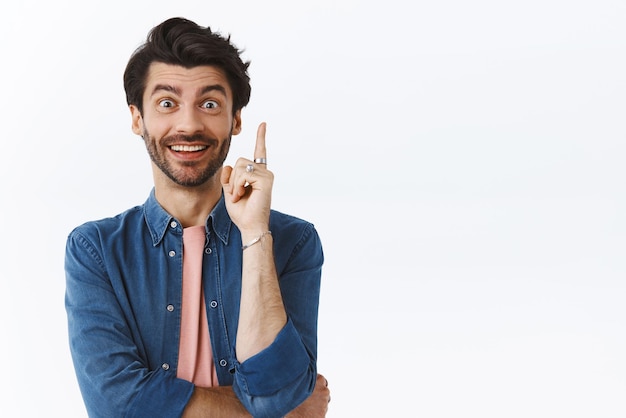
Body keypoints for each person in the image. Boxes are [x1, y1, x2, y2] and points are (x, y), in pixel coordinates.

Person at [65, 17, 330, 418]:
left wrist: (255, 233)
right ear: (138, 118)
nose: (188, 124)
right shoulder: (96, 250)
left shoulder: (293, 241)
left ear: (235, 120)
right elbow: (116, 405)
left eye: (209, 104)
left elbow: (280, 392)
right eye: (167, 103)